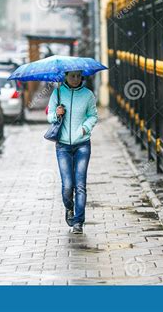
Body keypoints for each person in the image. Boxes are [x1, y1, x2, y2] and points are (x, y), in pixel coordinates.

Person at [46, 70, 98, 234]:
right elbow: (49, 116)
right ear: (65, 76)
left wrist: (85, 128)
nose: (75, 79)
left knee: (80, 185)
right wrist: (57, 114)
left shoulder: (88, 95)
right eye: (72, 76)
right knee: (68, 185)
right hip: (62, 146)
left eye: (78, 76)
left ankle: (78, 222)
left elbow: (93, 116)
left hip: (82, 145)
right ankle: (69, 208)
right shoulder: (58, 92)